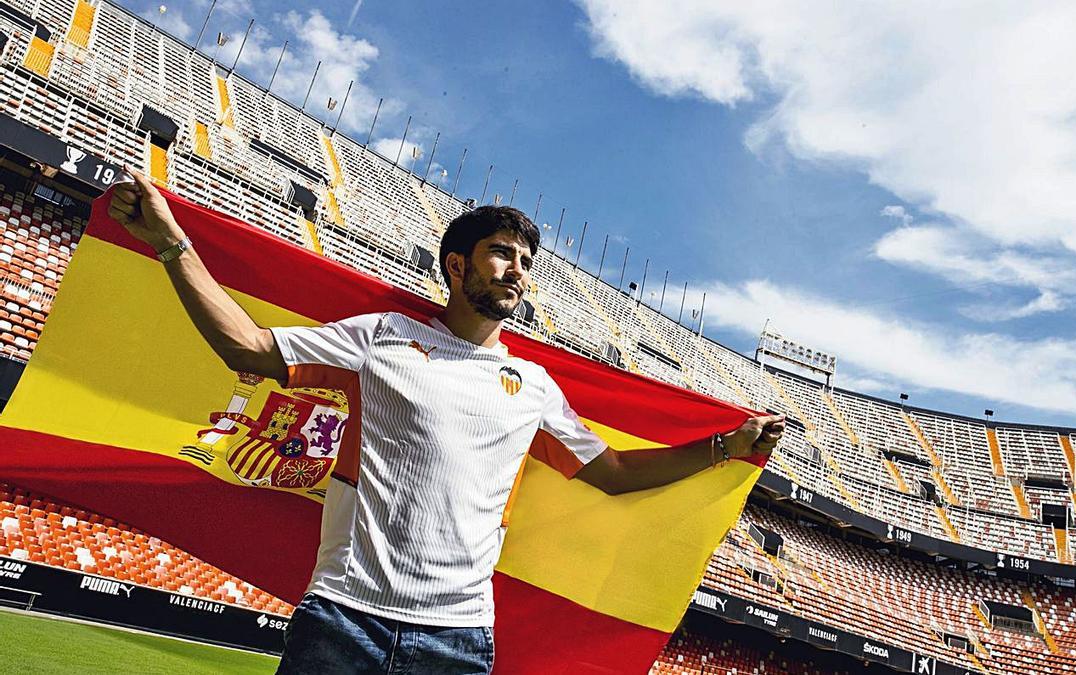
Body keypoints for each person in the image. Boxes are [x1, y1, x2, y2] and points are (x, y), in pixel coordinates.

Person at [108, 170, 786, 674]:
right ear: (458, 266)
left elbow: (611, 472)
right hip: (344, 618)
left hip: (457, 639)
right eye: (501, 254)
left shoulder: (535, 388)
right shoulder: (383, 336)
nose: (516, 271)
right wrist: (172, 244)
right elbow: (249, 347)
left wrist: (725, 446)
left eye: (525, 262)